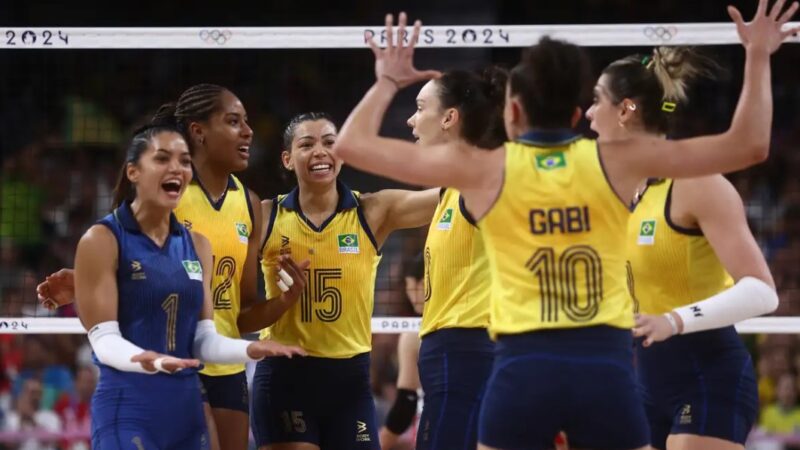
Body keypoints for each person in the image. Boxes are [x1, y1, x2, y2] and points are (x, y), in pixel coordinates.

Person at [332, 4, 798, 449]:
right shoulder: (618, 162)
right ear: (577, 117)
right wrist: (758, 56)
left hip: (520, 368)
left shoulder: (483, 170)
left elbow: (351, 146)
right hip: (605, 368)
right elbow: (751, 145)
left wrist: (387, 81)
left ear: (512, 113)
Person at [37, 84, 309, 450]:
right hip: (171, 361)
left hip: (224, 363)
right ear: (199, 132)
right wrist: (86, 279)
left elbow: (241, 312)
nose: (248, 131)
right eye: (233, 122)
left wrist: (283, 303)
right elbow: (125, 256)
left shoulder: (247, 202)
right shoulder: (165, 196)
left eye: (246, 122)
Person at [584, 47, 778, 450]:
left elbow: (762, 291)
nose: (587, 113)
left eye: (596, 99)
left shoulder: (696, 182)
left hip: (708, 373)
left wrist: (673, 320)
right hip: (644, 380)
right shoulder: (615, 188)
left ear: (626, 110)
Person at [250, 112, 440, 450]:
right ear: (287, 159)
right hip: (286, 378)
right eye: (306, 144)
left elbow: (451, 195)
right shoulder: (266, 216)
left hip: (350, 382)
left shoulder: (372, 211)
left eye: (329, 142)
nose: (320, 151)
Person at [405, 68, 505, 450]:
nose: (411, 119)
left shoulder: (483, 181)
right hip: (451, 354)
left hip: (470, 349)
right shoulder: (452, 187)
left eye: (419, 107)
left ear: (449, 118)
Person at [379, 254, 424, 450]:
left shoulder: (414, 335)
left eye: (409, 285)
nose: (408, 293)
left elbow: (407, 401)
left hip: (435, 425)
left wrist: (380, 443)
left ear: (422, 284)